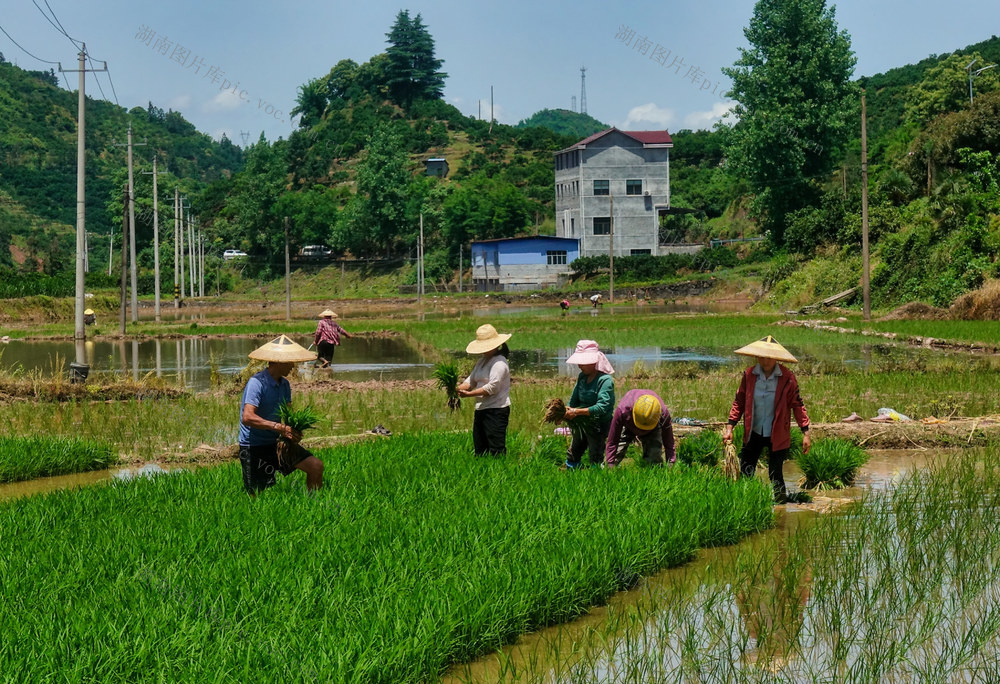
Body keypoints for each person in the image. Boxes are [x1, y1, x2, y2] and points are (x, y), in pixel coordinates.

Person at [722, 336, 811, 503]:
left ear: (776, 357)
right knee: (747, 470)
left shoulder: (787, 378)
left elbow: (797, 404)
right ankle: (746, 503)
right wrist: (730, 427)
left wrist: (805, 432)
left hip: (777, 434)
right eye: (762, 356)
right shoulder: (749, 375)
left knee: (775, 472)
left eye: (769, 356)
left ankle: (780, 506)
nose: (765, 360)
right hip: (753, 431)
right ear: (757, 357)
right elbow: (739, 401)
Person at [238, 335, 324, 495]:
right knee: (257, 493)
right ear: (278, 361)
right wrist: (279, 427)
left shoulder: (284, 384)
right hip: (254, 446)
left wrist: (293, 431)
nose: (293, 366)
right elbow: (247, 417)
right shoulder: (257, 383)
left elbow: (288, 414)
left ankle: (315, 506)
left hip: (276, 442)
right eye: (290, 362)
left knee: (315, 466)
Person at [457, 324, 512, 456]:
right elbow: (470, 381)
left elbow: (492, 387)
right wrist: (456, 389)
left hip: (496, 410)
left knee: (496, 449)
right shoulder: (482, 361)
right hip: (481, 409)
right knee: (480, 449)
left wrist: (470, 394)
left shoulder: (499, 363)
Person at [562, 340, 615, 469]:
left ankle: (596, 475)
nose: (580, 365)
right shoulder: (582, 377)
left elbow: (602, 407)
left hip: (598, 424)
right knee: (575, 450)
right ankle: (572, 469)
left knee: (595, 453)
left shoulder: (605, 380)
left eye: (583, 363)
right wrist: (565, 412)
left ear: (594, 361)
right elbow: (573, 400)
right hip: (581, 421)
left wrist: (577, 412)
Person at [605, 390, 676, 467]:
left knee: (654, 458)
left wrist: (671, 462)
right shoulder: (623, 411)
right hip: (629, 424)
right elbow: (613, 439)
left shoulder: (663, 413)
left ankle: (653, 471)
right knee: (614, 454)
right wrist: (610, 463)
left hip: (653, 429)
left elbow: (668, 440)